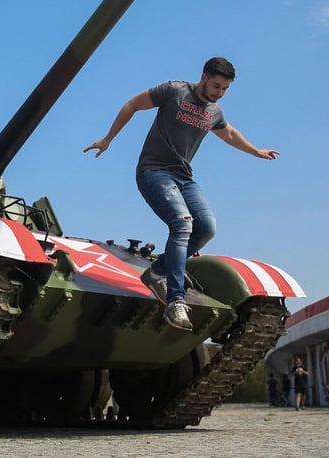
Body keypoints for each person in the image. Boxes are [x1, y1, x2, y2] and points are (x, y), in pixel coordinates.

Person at [84, 57, 279, 331]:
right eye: (215, 86)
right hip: (154, 172)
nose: (219, 92)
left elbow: (230, 134)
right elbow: (132, 104)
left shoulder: (214, 111)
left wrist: (256, 150)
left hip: (184, 177)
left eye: (224, 89)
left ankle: (158, 271)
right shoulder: (174, 91)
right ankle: (176, 300)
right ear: (203, 76)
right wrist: (108, 138)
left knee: (207, 228)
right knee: (182, 223)